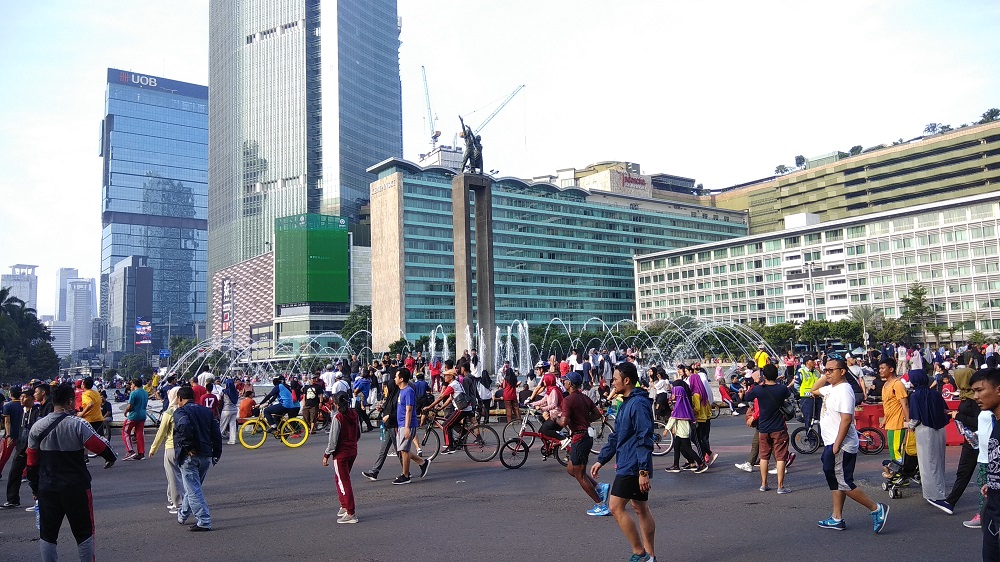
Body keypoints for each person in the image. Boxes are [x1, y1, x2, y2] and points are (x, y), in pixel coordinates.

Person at [27, 382, 117, 561]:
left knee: (48, 534)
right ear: (70, 402)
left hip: (48, 487)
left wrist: (35, 489)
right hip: (76, 487)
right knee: (84, 532)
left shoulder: (37, 427)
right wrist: (111, 459)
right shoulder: (78, 424)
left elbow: (31, 463)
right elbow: (101, 447)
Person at [811, 358, 889, 533]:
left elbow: (846, 419)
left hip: (841, 444)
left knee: (844, 482)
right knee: (835, 480)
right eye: (826, 370)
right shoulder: (831, 388)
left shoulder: (844, 391)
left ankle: (876, 508)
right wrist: (826, 374)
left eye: (832, 370)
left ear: (843, 371)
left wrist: (837, 445)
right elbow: (813, 390)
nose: (828, 373)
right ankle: (836, 517)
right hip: (831, 442)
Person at [590, 362, 657, 562]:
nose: (613, 382)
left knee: (615, 506)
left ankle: (639, 552)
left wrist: (643, 471)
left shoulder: (638, 404)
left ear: (626, 381)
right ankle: (651, 556)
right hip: (629, 461)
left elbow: (644, 436)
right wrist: (602, 459)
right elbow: (618, 435)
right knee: (640, 508)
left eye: (616, 379)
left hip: (633, 464)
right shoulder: (626, 402)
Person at [556, 372, 609, 515]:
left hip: (580, 438)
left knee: (580, 475)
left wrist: (554, 418)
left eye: (565, 381)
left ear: (570, 384)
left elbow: (564, 422)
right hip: (584, 437)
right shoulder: (584, 397)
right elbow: (597, 414)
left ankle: (601, 505)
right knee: (571, 469)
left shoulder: (568, 400)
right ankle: (599, 487)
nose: (564, 383)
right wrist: (585, 421)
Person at [172, 385, 223, 532]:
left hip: (190, 456)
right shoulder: (207, 412)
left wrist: (188, 446)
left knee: (193, 489)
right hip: (206, 455)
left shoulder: (180, 411)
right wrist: (216, 453)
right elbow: (216, 432)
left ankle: (204, 520)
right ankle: (182, 515)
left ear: (180, 399)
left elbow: (184, 425)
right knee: (193, 487)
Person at [908, 369, 953, 514]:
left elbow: (915, 419)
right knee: (939, 460)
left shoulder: (915, 396)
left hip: (924, 430)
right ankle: (941, 490)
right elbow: (945, 411)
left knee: (927, 463)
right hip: (940, 430)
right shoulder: (936, 394)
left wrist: (907, 425)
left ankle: (933, 495)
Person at [743, 364, 791, 492]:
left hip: (763, 427)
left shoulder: (759, 389)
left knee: (764, 456)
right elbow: (790, 395)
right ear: (776, 375)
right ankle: (781, 486)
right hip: (779, 427)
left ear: (764, 376)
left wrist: (758, 383)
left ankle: (764, 484)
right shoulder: (782, 389)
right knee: (780, 457)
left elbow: (747, 397)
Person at [970, 368, 1000, 557]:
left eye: (980, 390)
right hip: (993, 510)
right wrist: (993, 481)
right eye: (973, 391)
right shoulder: (995, 422)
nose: (975, 396)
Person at [946, 366, 981, 516]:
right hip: (971, 439)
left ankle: (950, 502)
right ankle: (950, 502)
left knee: (968, 472)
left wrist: (958, 416)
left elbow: (979, 421)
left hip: (976, 440)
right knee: (964, 472)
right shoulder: (967, 395)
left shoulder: (975, 399)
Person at [323, 392, 360, 524]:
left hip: (341, 454)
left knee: (344, 481)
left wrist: (326, 454)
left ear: (336, 404)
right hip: (352, 450)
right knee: (340, 479)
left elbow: (333, 441)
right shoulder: (354, 414)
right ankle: (344, 505)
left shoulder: (338, 417)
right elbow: (358, 433)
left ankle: (350, 512)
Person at [148, 387, 183, 515]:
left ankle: (177, 504)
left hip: (171, 447)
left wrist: (153, 448)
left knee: (173, 477)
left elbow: (161, 433)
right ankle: (174, 499)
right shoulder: (185, 411)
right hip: (184, 447)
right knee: (180, 475)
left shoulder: (169, 412)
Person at [393, 368, 429, 485]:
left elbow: (409, 410)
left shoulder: (408, 391)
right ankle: (422, 463)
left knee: (404, 450)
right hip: (401, 424)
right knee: (402, 450)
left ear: (401, 379)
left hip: (407, 424)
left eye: (396, 376)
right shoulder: (401, 390)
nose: (395, 378)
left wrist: (407, 427)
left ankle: (406, 475)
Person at [362, 376, 401, 482]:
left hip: (394, 426)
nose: (384, 390)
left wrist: (389, 416)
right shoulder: (390, 397)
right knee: (383, 451)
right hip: (388, 426)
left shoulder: (398, 397)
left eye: (386, 387)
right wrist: (381, 409)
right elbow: (387, 408)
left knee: (400, 451)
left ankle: (417, 465)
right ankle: (374, 472)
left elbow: (399, 412)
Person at [663, 381, 707, 475]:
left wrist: (666, 429)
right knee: (676, 447)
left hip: (682, 432)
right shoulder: (683, 404)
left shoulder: (679, 406)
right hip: (680, 431)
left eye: (674, 393)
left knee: (687, 449)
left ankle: (701, 464)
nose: (673, 395)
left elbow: (673, 418)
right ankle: (676, 465)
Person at [426, 369, 473, 454]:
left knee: (446, 425)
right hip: (464, 408)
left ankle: (450, 446)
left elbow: (441, 397)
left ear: (451, 377)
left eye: (446, 376)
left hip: (461, 409)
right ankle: (463, 433)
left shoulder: (452, 385)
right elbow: (450, 398)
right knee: (448, 418)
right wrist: (441, 408)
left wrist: (429, 407)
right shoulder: (455, 383)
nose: (444, 377)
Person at [878, 358, 910, 465]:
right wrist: (885, 420)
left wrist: (909, 422)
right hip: (890, 423)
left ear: (891, 369)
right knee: (892, 450)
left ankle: (900, 474)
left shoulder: (897, 384)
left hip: (898, 423)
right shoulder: (886, 385)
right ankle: (898, 473)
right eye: (880, 368)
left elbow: (904, 404)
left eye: (883, 368)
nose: (880, 371)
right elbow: (888, 405)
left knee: (896, 450)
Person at [122, 378, 148, 461]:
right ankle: (141, 453)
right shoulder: (145, 392)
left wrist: (125, 411)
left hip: (133, 416)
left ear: (134, 384)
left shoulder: (133, 393)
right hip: (142, 415)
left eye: (131, 384)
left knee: (125, 431)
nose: (131, 386)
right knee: (139, 433)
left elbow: (130, 406)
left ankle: (130, 451)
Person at [0, 386, 24, 476]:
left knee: (3, 456)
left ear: (11, 394)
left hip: (11, 434)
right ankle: (24, 474)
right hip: (22, 434)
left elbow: (7, 421)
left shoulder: (8, 406)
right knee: (22, 456)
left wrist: (8, 435)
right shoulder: (23, 405)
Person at [219, 378, 239, 445]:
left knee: (222, 426)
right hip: (234, 410)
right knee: (232, 425)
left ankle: (217, 439)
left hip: (226, 409)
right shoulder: (236, 392)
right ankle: (232, 440)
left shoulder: (224, 391)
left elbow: (220, 398)